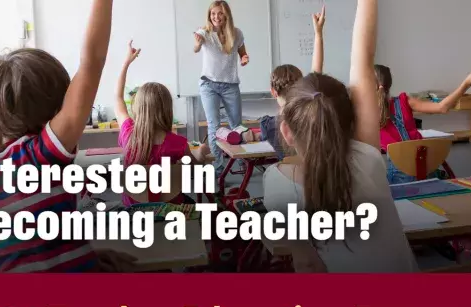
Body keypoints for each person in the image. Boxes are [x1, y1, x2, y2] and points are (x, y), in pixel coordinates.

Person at [0, 0, 136, 273]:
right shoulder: (39, 157)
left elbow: (33, 241)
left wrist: (86, 255)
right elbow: (92, 63)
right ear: (54, 110)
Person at [263, 0, 417, 273]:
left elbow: (308, 264)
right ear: (350, 118)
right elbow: (363, 59)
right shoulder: (368, 157)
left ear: (286, 131)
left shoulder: (277, 183)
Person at [115, 41, 210, 207]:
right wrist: (200, 154)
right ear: (167, 109)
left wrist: (126, 63)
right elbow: (194, 167)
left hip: (134, 211)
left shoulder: (128, 134)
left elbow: (117, 98)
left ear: (137, 107)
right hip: (170, 210)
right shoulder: (178, 144)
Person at [376, 65, 471, 183]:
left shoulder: (366, 111)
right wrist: (466, 84)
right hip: (425, 168)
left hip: (398, 174)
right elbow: (442, 107)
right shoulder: (404, 100)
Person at [250, 6, 325, 160]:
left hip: (289, 177)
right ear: (302, 87)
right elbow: (317, 71)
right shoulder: (310, 114)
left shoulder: (268, 125)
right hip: (316, 174)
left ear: (273, 92)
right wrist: (318, 34)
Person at [194, 0, 249, 174]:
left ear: (226, 15)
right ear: (209, 16)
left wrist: (244, 58)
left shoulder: (237, 33)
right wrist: (197, 41)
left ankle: (241, 161)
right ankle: (218, 166)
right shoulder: (204, 32)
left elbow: (243, 53)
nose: (216, 17)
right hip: (208, 84)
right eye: (213, 14)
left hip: (230, 84)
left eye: (220, 13)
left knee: (236, 124)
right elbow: (196, 48)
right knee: (214, 126)